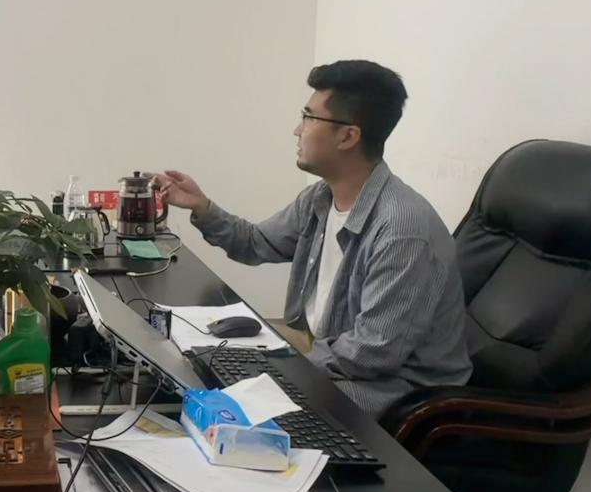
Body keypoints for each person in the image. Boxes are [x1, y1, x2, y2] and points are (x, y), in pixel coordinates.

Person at [155, 60, 471, 417]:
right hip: (335, 363)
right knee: (198, 380)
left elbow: (372, 352)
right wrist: (202, 206)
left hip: (395, 393)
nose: (297, 130)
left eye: (308, 117)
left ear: (347, 136)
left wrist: (281, 365)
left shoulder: (402, 230)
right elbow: (256, 243)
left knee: (236, 414)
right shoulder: (320, 198)